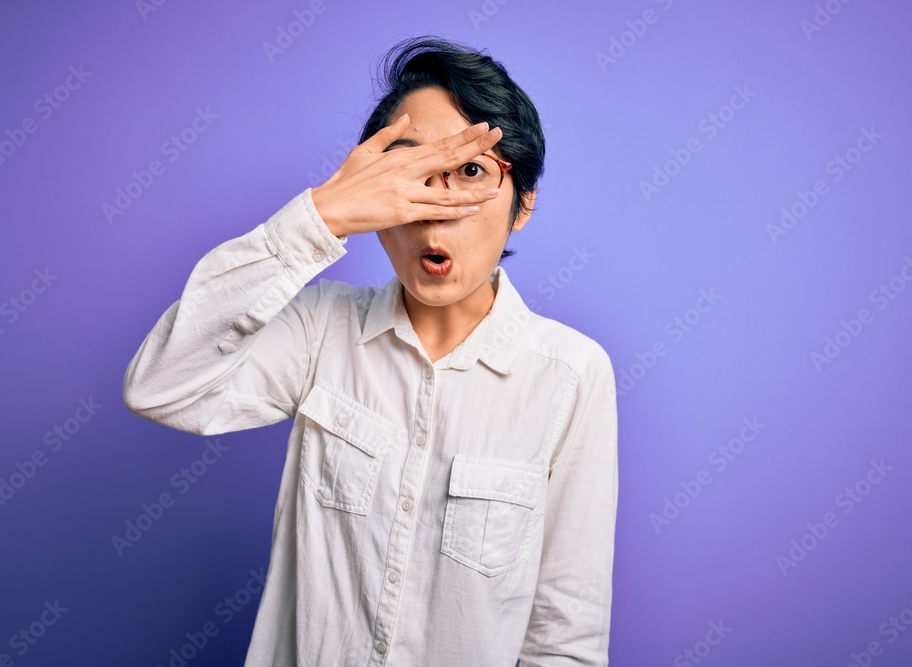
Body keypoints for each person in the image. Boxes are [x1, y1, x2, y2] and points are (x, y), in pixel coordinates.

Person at [123, 35, 618, 667]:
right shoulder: (320, 329)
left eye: (470, 172)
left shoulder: (571, 375)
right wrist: (319, 217)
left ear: (522, 204)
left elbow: (564, 636)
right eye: (410, 176)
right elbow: (160, 386)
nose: (434, 211)